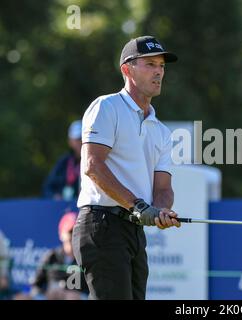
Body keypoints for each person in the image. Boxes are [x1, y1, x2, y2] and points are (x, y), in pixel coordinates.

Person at [72, 35, 181, 300]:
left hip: (133, 230)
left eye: (162, 66)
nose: (158, 71)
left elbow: (163, 187)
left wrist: (162, 210)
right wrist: (139, 206)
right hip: (101, 224)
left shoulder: (162, 131)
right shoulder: (106, 107)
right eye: (150, 64)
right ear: (127, 69)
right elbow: (92, 166)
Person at [30, 212, 89, 300]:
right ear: (61, 234)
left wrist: (79, 296)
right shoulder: (52, 256)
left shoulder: (88, 257)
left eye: (76, 231)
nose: (73, 235)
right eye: (70, 231)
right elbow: (36, 285)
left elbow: (95, 290)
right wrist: (45, 294)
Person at [42, 120, 82, 200]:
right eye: (77, 139)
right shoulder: (63, 162)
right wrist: (55, 196)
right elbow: (48, 188)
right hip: (63, 208)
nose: (80, 142)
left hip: (86, 207)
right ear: (70, 141)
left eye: (82, 138)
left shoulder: (95, 162)